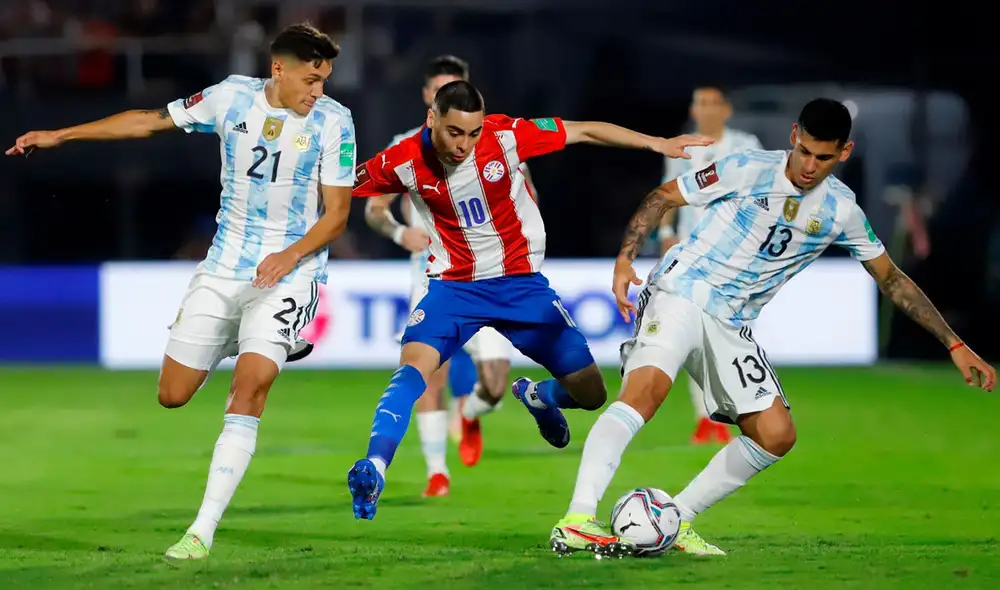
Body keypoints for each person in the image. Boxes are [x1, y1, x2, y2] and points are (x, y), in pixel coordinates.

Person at [549, 98, 996, 557]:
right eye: (804, 151)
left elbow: (892, 279)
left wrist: (955, 343)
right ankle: (578, 518)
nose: (808, 166)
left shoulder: (842, 211)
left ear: (844, 153)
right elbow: (664, 197)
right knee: (645, 394)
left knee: (776, 434)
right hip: (683, 289)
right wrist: (626, 258)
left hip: (733, 322)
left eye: (823, 157)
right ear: (793, 138)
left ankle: (675, 520)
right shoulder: (745, 168)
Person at [7, 23, 356, 559]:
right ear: (279, 69)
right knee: (172, 395)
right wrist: (60, 135)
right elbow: (148, 122)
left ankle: (201, 530)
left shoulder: (335, 121)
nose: (319, 92)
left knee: (251, 387)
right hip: (223, 268)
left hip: (291, 271)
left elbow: (335, 216)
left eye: (325, 80)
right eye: (312, 79)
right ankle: (247, 336)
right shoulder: (230, 97)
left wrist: (289, 256)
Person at [347, 80, 712, 520]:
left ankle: (541, 396)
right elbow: (339, 186)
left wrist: (656, 143)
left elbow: (584, 131)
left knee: (593, 393)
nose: (464, 145)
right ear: (431, 120)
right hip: (453, 287)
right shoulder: (402, 160)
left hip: (521, 287)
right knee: (413, 368)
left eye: (473, 133)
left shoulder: (505, 137)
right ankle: (375, 468)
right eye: (454, 133)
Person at [363, 56, 536, 497]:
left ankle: (472, 412)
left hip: (492, 277)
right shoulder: (404, 148)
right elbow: (374, 208)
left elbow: (526, 199)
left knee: (496, 385)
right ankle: (437, 472)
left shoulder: (497, 140)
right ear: (428, 99)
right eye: (441, 88)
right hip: (435, 279)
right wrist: (403, 234)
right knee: (428, 374)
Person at [658, 84, 763, 445]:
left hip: (736, 255)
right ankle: (709, 417)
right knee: (694, 333)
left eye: (710, 102)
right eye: (698, 102)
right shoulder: (683, 147)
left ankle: (729, 411)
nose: (702, 108)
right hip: (693, 253)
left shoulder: (746, 144)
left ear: (726, 109)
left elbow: (764, 191)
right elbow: (668, 193)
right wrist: (666, 233)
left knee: (727, 333)